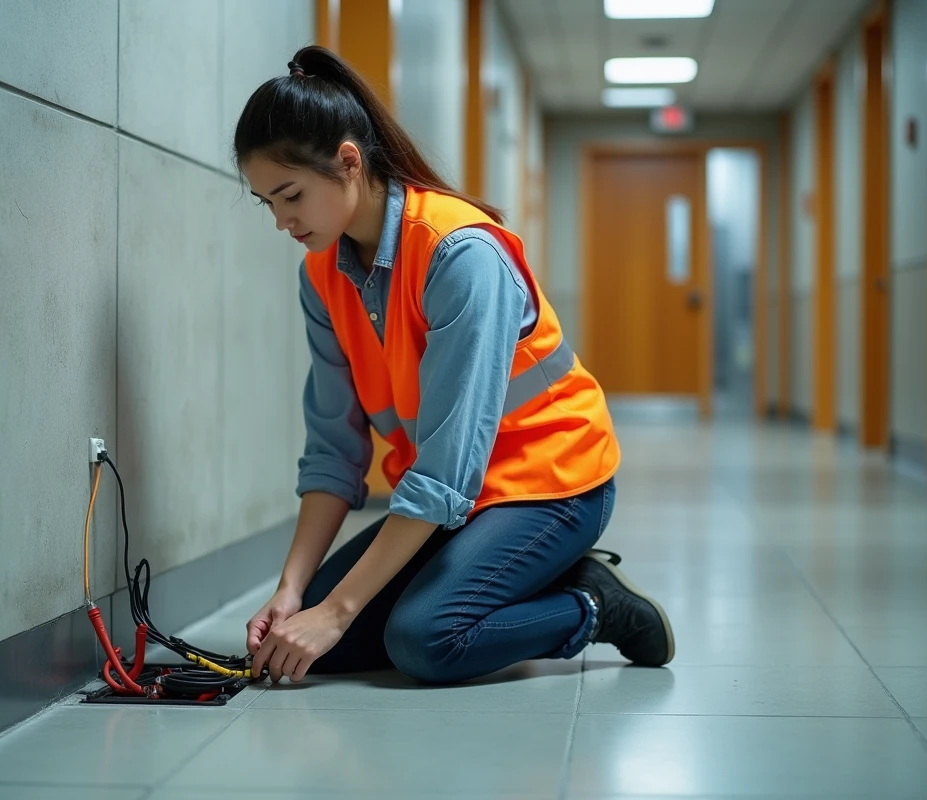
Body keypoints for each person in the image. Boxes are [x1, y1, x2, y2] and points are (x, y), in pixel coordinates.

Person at [234, 45, 674, 686]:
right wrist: (293, 592)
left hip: (553, 482)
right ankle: (508, 577)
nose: (281, 221)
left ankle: (594, 604)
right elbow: (334, 450)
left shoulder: (460, 254)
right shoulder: (321, 276)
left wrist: (339, 610)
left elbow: (445, 468)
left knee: (424, 638)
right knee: (318, 638)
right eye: (266, 203)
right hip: (458, 498)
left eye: (291, 195)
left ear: (349, 162)